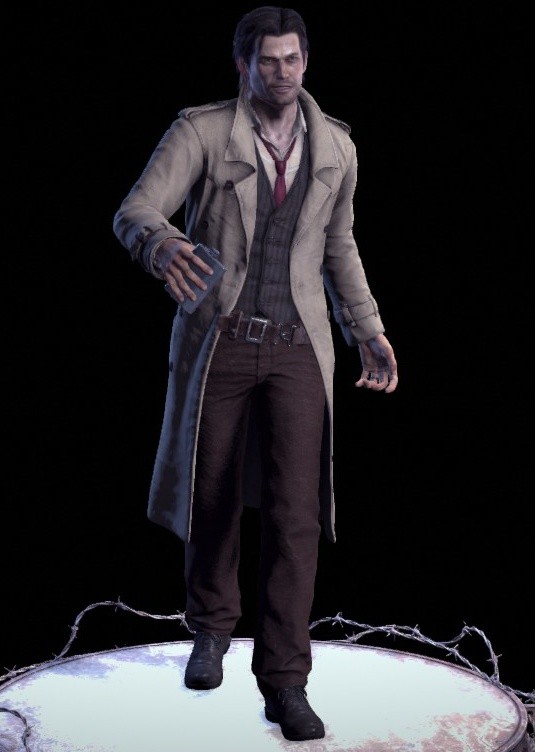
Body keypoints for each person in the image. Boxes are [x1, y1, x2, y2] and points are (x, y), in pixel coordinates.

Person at [113, 5, 398, 742]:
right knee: (210, 492)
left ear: (306, 61)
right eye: (267, 60)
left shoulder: (336, 146)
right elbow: (137, 208)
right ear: (243, 65)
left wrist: (366, 329)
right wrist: (159, 245)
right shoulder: (204, 132)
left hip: (300, 344)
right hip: (223, 338)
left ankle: (286, 681)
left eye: (291, 59)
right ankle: (211, 629)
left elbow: (339, 244)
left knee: (296, 514)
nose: (281, 72)